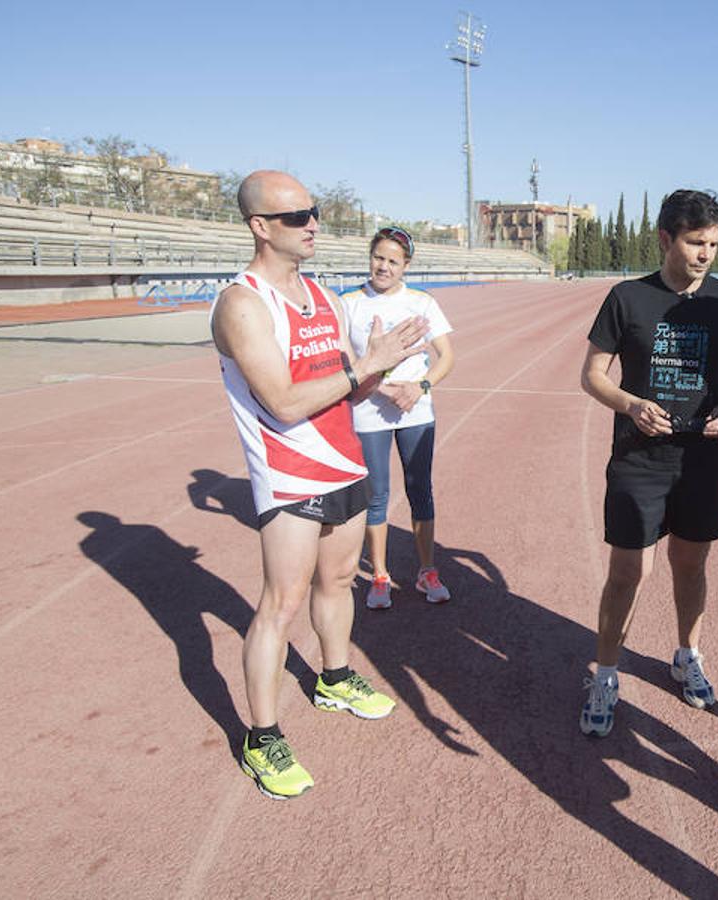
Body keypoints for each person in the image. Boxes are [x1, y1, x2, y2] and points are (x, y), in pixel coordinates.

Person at [210, 170, 429, 799]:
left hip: (346, 463)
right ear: (260, 226)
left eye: (315, 212)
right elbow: (279, 401)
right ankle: (262, 735)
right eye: (297, 216)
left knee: (336, 582)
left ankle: (334, 677)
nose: (313, 225)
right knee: (280, 603)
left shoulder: (326, 299)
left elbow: (347, 385)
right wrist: (364, 364)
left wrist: (378, 369)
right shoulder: (243, 303)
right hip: (288, 474)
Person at [578, 189, 718, 738]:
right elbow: (592, 375)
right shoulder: (626, 298)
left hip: (703, 461)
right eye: (694, 242)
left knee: (691, 565)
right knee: (630, 571)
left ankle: (687, 654)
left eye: (712, 244)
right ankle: (606, 673)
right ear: (666, 239)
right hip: (639, 460)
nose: (705, 253)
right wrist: (631, 404)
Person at [342, 226, 455, 609]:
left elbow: (447, 357)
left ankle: (427, 571)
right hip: (368, 411)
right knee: (376, 496)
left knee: (419, 489)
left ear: (406, 265)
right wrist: (381, 388)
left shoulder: (421, 303)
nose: (383, 266)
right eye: (378, 258)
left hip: (415, 411)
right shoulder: (350, 304)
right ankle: (379, 576)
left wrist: (418, 388)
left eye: (393, 261)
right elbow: (346, 364)